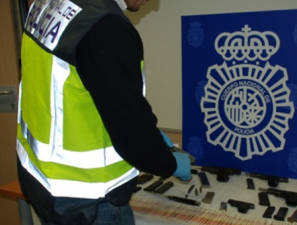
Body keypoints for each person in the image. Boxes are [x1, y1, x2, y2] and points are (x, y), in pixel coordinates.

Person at [16, 0, 191, 225]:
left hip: (43, 182)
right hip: (88, 200)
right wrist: (168, 163)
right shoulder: (106, 28)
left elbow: (81, 91)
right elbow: (133, 135)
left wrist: (150, 135)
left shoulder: (48, 3)